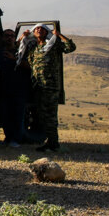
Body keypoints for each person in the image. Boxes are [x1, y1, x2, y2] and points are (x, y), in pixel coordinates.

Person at [24, 24, 75, 152]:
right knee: (41, 116)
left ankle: (53, 143)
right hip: (38, 86)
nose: (39, 30)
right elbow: (23, 57)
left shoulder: (53, 45)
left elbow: (71, 47)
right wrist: (22, 38)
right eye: (36, 29)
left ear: (47, 33)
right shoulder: (34, 48)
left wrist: (59, 35)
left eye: (42, 29)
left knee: (50, 115)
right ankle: (49, 141)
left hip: (50, 86)